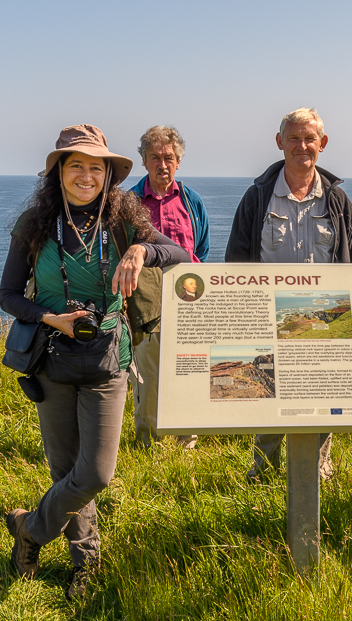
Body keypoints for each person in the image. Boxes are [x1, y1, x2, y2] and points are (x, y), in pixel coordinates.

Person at [0, 124, 191, 599]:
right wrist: (51, 317)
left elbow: (179, 252)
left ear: (108, 174)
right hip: (53, 359)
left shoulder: (122, 218)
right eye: (76, 165)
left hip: (109, 359)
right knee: (65, 470)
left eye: (96, 167)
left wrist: (141, 248)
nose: (87, 175)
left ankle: (30, 528)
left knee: (97, 473)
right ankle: (86, 562)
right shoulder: (36, 225)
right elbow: (7, 296)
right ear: (59, 171)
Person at [225, 107, 352, 481]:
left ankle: (319, 469)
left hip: (324, 321)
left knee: (323, 397)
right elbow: (236, 260)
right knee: (269, 392)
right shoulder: (257, 198)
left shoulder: (337, 202)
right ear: (279, 142)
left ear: (322, 143)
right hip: (269, 320)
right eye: (293, 138)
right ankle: (264, 471)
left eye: (309, 138)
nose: (301, 146)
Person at [128, 125, 210, 449]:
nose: (163, 164)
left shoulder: (192, 201)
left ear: (178, 161)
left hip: (190, 302)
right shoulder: (130, 201)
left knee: (188, 375)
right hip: (147, 303)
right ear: (144, 162)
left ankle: (186, 446)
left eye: (169, 157)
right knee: (148, 379)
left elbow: (200, 251)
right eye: (155, 158)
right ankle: (147, 446)